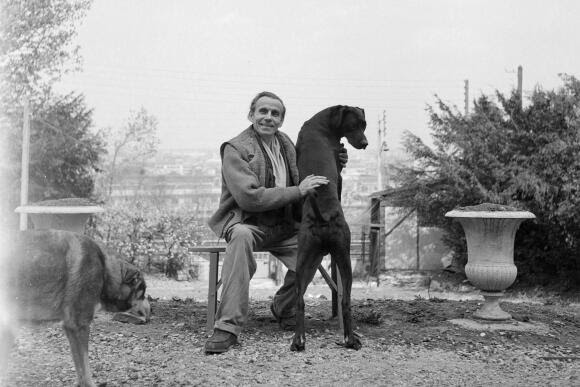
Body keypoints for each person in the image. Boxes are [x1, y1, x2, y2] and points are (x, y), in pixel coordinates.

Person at [205, 91, 347, 354]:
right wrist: (297, 191)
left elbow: (310, 178)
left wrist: (335, 165)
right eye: (263, 111)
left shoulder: (287, 144)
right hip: (249, 223)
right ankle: (227, 327)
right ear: (251, 114)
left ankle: (283, 306)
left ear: (281, 120)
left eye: (275, 113)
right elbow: (249, 198)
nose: (268, 118)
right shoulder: (235, 148)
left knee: (316, 244)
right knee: (240, 238)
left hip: (283, 225)